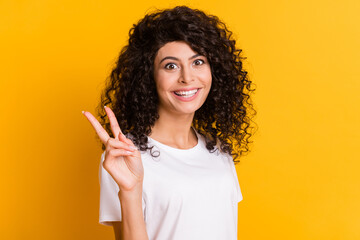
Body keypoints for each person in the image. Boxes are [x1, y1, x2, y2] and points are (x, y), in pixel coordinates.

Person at [83, 5, 256, 240]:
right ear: (148, 78)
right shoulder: (124, 156)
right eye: (171, 66)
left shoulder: (217, 151)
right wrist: (131, 191)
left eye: (198, 62)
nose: (187, 77)